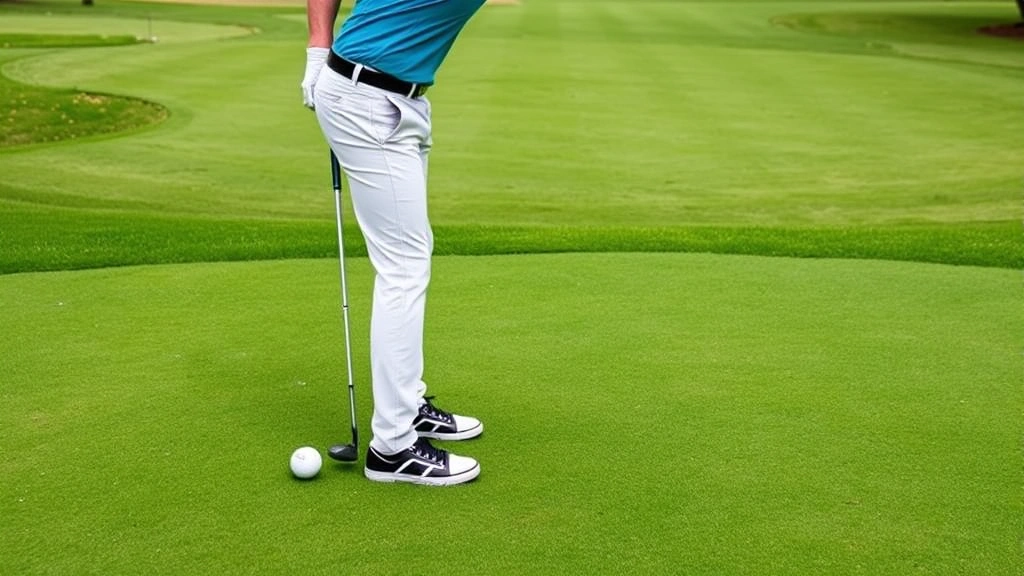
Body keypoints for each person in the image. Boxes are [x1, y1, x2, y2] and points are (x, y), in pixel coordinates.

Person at [301, 0, 487, 486]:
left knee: (410, 257)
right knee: (404, 268)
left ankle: (406, 403)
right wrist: (317, 49)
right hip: (367, 100)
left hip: (397, 101)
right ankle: (393, 447)